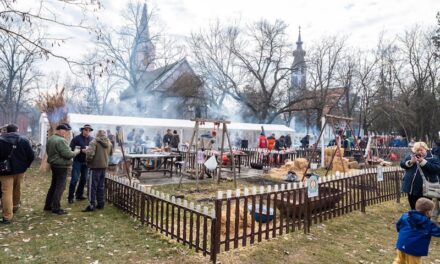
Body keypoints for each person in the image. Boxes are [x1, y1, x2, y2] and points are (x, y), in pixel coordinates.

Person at [0, 124, 35, 224]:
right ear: (17, 130)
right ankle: (15, 206)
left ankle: (7, 216)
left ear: (7, 130)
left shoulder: (1, 140)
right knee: (17, 189)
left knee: (6, 192)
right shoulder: (24, 140)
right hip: (20, 170)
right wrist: (26, 166)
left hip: (4, 171)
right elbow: (31, 155)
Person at [44, 124, 81, 215]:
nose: (66, 132)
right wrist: (76, 152)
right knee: (60, 187)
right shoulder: (61, 140)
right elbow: (68, 154)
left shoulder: (51, 138)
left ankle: (48, 205)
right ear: (60, 130)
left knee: (53, 186)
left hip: (54, 165)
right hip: (61, 166)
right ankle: (56, 208)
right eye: (66, 130)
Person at [393, 198, 440, 264]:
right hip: (413, 250)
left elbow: (398, 226)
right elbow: (438, 231)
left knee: (400, 261)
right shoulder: (426, 223)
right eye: (431, 211)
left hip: (401, 245)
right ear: (427, 212)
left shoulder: (405, 216)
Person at [400, 142, 440, 210]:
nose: (419, 152)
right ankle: (415, 219)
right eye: (417, 150)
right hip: (411, 188)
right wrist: (410, 162)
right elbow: (402, 164)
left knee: (425, 209)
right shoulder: (410, 156)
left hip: (426, 189)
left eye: (421, 150)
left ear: (426, 149)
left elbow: (436, 169)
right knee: (413, 207)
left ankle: (424, 220)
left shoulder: (433, 158)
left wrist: (423, 162)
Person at [82, 129, 112, 212]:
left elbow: (90, 155)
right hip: (104, 167)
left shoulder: (94, 142)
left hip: (94, 167)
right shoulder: (109, 142)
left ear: (97, 134)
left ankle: (91, 205)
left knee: (92, 186)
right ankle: (101, 204)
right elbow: (111, 153)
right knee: (101, 186)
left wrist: (88, 160)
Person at [68, 124, 94, 204]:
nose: (87, 131)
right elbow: (71, 148)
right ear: (82, 130)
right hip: (77, 161)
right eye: (86, 130)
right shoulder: (76, 139)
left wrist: (89, 151)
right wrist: (80, 150)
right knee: (74, 179)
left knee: (84, 179)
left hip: (86, 162)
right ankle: (70, 197)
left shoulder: (92, 139)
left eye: (89, 130)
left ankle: (79, 194)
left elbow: (93, 149)